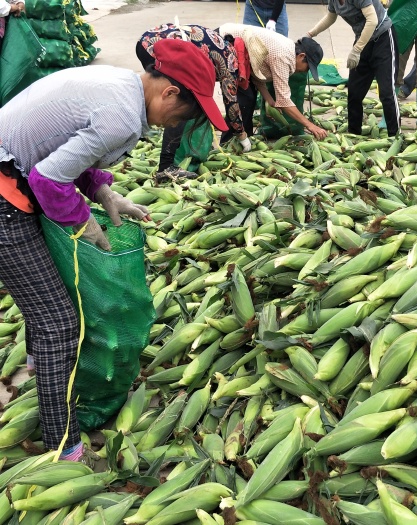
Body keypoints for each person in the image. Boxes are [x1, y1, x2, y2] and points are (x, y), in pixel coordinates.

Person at [0, 39, 227, 463]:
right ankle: (63, 445)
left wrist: (103, 192)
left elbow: (66, 149)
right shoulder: (122, 116)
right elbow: (49, 180)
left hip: (11, 171)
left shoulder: (121, 84)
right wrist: (84, 225)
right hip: (4, 194)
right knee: (59, 324)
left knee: (46, 297)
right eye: (183, 115)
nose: (175, 125)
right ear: (169, 93)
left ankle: (41, 368)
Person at [137, 23, 251, 174]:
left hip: (147, 40)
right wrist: (241, 134)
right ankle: (166, 166)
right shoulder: (231, 63)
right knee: (177, 106)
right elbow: (231, 103)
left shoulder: (225, 47)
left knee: (180, 103)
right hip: (155, 48)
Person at [218, 23, 328, 140]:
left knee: (249, 99)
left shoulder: (288, 50)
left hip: (237, 52)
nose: (304, 71)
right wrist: (310, 126)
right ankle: (228, 142)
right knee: (244, 102)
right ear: (301, 56)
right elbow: (284, 101)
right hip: (224, 43)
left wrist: (270, 100)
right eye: (307, 67)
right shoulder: (284, 57)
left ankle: (246, 139)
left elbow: (256, 75)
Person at [306, 0, 400, 137]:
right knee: (354, 93)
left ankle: (396, 136)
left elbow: (372, 20)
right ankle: (354, 134)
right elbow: (331, 17)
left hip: (383, 39)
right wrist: (310, 34)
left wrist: (356, 50)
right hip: (362, 41)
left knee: (387, 92)